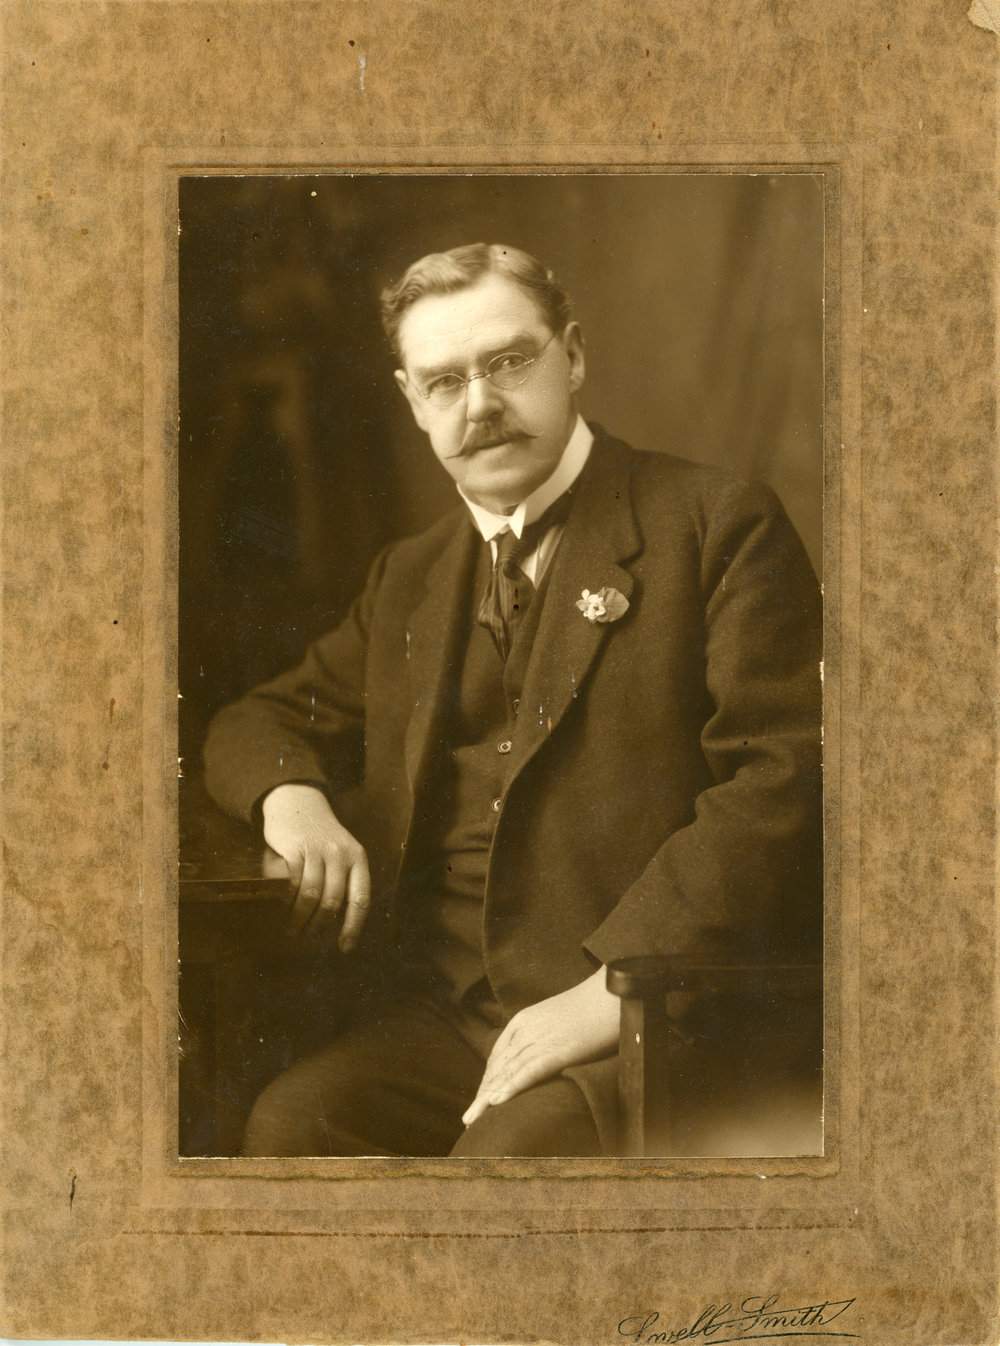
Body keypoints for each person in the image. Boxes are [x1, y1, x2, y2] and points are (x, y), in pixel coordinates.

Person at [203, 242, 823, 1157]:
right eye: (444, 382)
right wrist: (291, 800)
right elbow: (256, 720)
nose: (482, 407)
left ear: (571, 356)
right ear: (413, 402)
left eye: (509, 363)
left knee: (504, 1175)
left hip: (648, 1012)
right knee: (293, 1128)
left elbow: (782, 781)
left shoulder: (718, 525)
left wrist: (614, 987)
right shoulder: (412, 575)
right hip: (448, 1020)